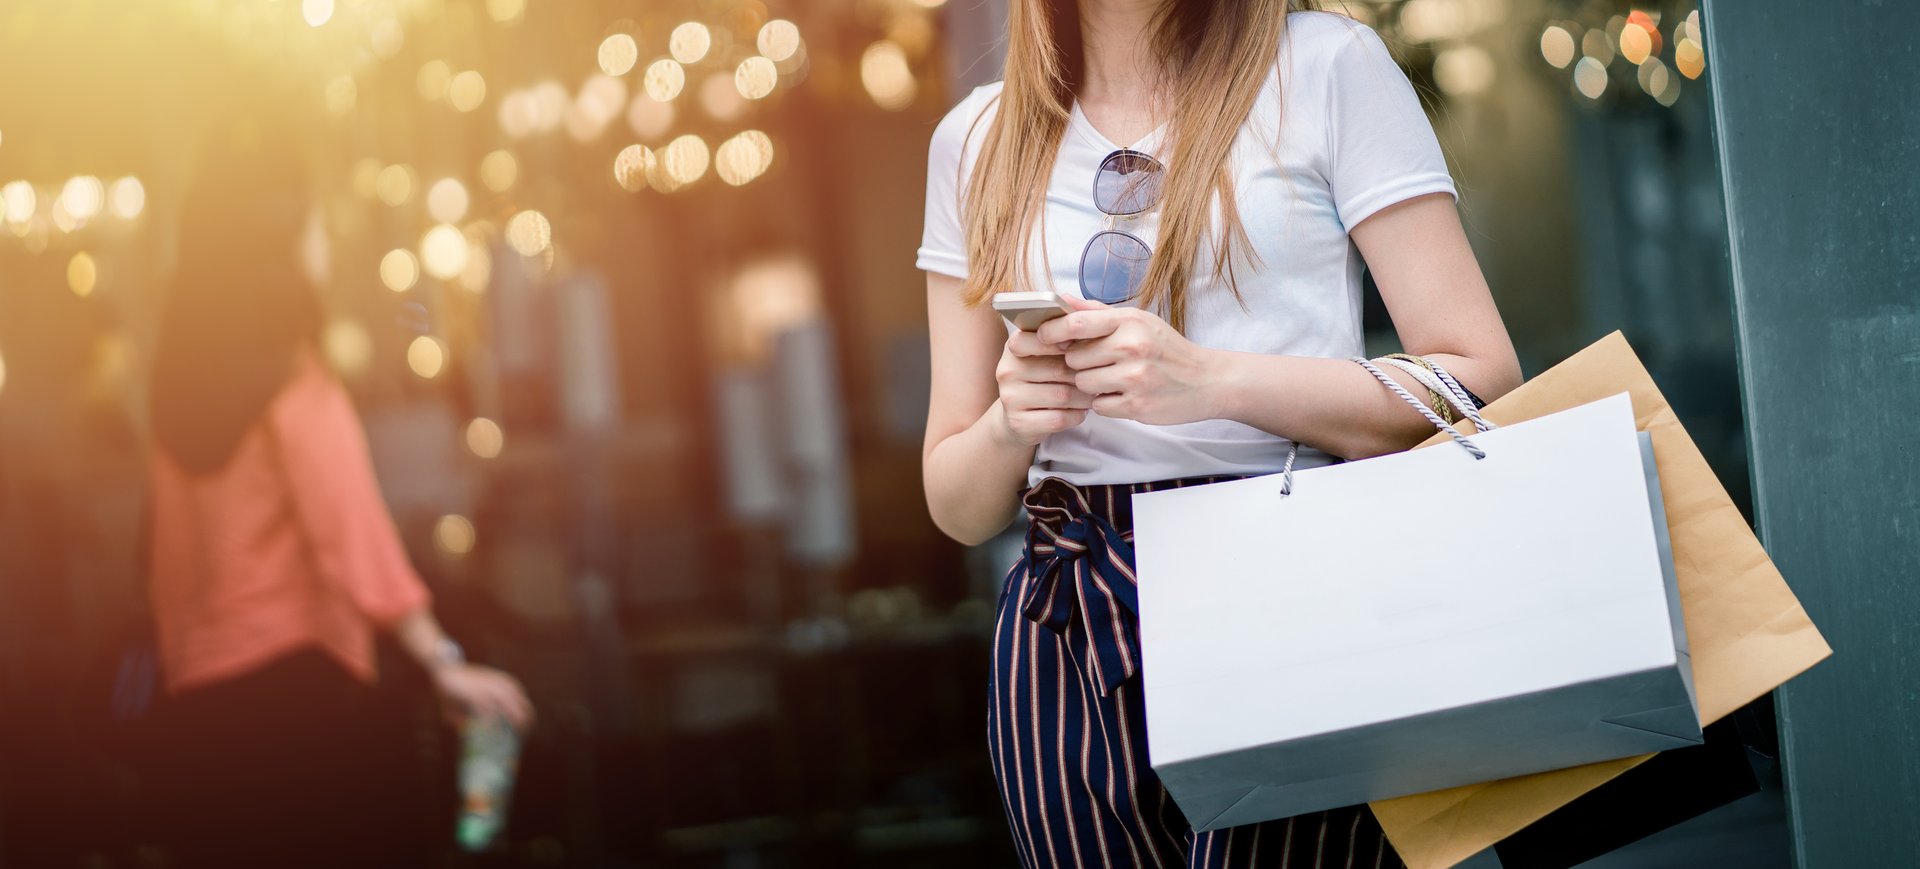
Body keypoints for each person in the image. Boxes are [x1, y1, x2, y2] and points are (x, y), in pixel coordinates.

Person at [919, 2, 1523, 866]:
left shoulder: (1324, 65)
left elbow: (1479, 379)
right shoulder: (974, 139)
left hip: (1289, 581)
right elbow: (958, 502)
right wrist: (1014, 419)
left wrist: (1210, 380)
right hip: (1065, 620)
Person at [144, 116, 533, 867]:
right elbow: (351, 532)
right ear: (281, 244)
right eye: (314, 218)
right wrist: (441, 657)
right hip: (303, 715)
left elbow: (163, 564)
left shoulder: (172, 397)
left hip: (196, 722)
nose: (323, 238)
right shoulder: (296, 382)